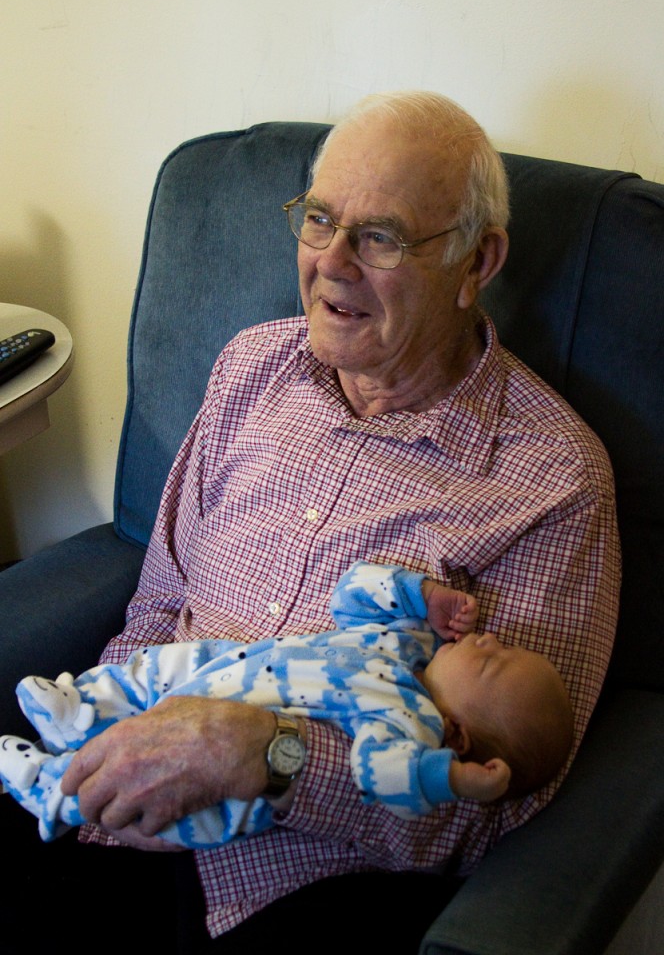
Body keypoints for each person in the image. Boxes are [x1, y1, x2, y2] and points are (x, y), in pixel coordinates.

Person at [0, 90, 621, 953]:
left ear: (478, 262)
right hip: (108, 800)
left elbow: (488, 812)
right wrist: (109, 745)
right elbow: (157, 605)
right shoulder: (250, 367)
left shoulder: (553, 481)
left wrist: (269, 754)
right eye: (321, 218)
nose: (332, 263)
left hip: (309, 884)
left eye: (381, 236)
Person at [0, 561, 574, 847]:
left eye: (494, 662)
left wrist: (454, 778)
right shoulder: (409, 641)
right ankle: (80, 710)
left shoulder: (406, 720)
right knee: (160, 663)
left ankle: (52, 792)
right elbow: (350, 593)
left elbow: (387, 778)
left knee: (169, 813)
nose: (494, 638)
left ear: (459, 731)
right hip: (225, 667)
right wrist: (422, 594)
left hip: (224, 811)